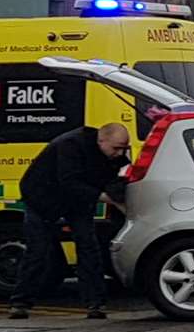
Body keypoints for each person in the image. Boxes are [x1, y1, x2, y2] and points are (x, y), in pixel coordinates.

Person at [8, 122, 131, 321]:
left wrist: (119, 196)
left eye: (124, 149)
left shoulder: (111, 154)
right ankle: (20, 302)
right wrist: (106, 197)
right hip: (42, 197)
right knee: (38, 251)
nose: (119, 154)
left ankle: (95, 303)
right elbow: (69, 182)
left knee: (89, 248)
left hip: (77, 200)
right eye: (116, 148)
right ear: (102, 140)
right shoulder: (70, 145)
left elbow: (117, 178)